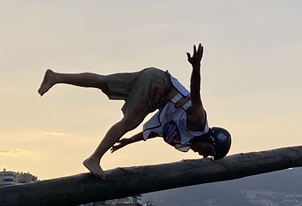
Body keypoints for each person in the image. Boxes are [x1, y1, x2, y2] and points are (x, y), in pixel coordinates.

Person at [38, 44, 231, 178]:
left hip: (154, 77)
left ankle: (56, 77)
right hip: (157, 87)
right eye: (208, 151)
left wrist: (129, 141)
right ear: (209, 139)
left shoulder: (187, 137)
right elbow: (196, 92)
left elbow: (156, 132)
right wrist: (196, 66)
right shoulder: (198, 122)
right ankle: (94, 158)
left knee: (106, 84)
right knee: (127, 122)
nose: (203, 155)